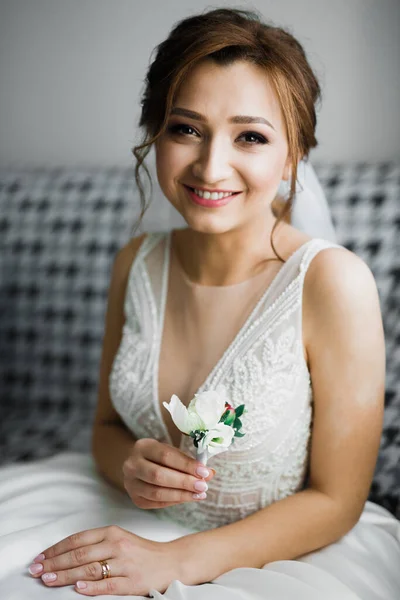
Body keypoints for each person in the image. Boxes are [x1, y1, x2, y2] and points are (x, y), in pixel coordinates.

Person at [1, 7, 399, 600]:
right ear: (154, 133)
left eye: (251, 137)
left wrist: (173, 563)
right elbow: (106, 430)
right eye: (185, 128)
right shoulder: (135, 262)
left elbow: (337, 500)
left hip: (275, 556)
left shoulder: (333, 284)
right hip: (115, 510)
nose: (211, 167)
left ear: (293, 155)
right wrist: (131, 468)